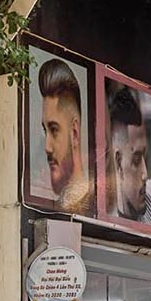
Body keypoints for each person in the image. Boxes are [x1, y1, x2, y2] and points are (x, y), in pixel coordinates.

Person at [38, 56, 94, 216]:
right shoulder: (60, 204)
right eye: (45, 130)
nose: (47, 147)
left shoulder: (90, 200)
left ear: (74, 133)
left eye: (54, 129)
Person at [106, 81, 151, 223]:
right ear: (119, 163)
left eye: (144, 156)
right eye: (136, 160)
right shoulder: (108, 219)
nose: (145, 174)